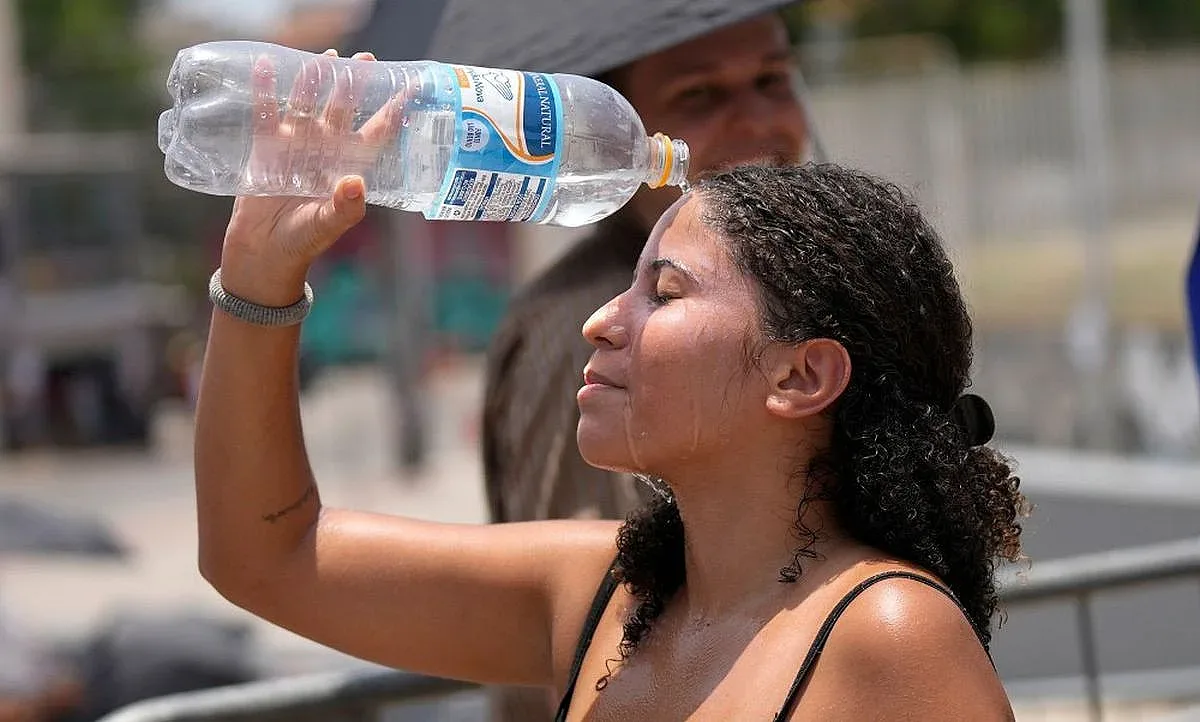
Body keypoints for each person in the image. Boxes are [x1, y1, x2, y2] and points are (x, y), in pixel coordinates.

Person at [192, 61, 1027, 717]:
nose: (600, 320)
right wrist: (258, 279)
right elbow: (268, 556)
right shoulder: (602, 593)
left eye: (662, 293)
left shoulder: (889, 637)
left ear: (801, 375)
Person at [482, 12, 811, 529]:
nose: (758, 122)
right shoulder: (589, 330)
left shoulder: (786, 286)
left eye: (771, 80)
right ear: (610, 133)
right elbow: (588, 592)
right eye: (699, 94)